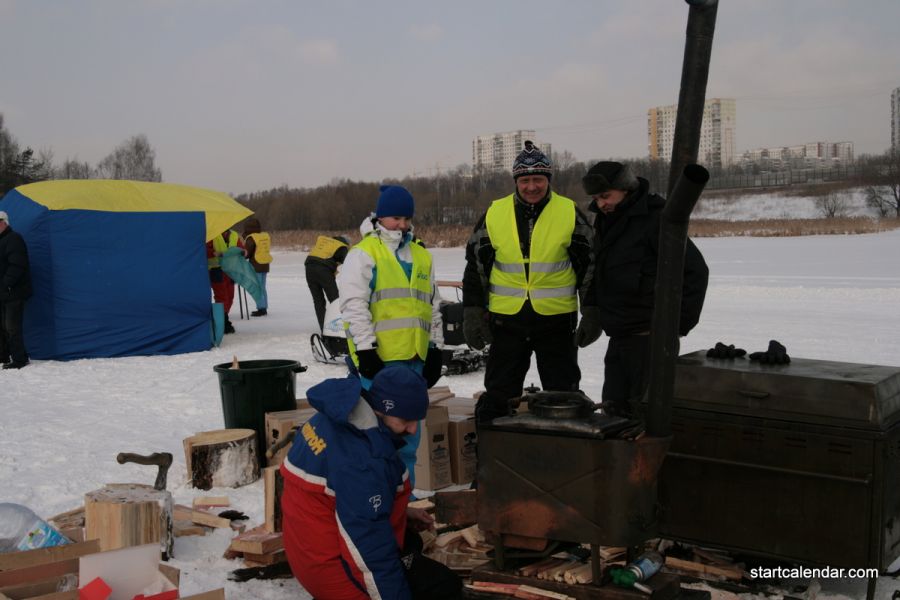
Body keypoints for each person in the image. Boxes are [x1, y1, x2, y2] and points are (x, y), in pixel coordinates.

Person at [281, 366, 462, 600]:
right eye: (406, 420)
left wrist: (401, 512)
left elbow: (343, 498)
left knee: (413, 543)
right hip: (330, 569)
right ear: (381, 409)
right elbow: (371, 556)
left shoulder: (344, 415)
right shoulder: (363, 464)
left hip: (306, 546)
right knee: (444, 586)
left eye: (417, 420)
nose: (413, 429)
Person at [462, 141, 596, 423]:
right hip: (507, 321)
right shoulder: (494, 213)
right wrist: (473, 311)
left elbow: (590, 265)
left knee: (564, 395)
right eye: (525, 180)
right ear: (516, 181)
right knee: (499, 394)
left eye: (538, 179)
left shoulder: (569, 212)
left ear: (548, 180)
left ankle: (567, 454)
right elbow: (476, 266)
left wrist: (593, 311)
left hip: (556, 322)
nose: (532, 186)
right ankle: (494, 452)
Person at [579, 161, 709, 417]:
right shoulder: (607, 222)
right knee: (613, 413)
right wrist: (593, 312)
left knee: (646, 417)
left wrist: (675, 326)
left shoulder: (656, 219)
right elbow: (600, 274)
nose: (601, 203)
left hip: (649, 342)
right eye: (596, 198)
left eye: (606, 196)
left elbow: (695, 272)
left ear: (625, 188)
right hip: (619, 339)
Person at [338, 184, 444, 489]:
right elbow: (354, 307)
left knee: (410, 436)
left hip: (414, 362)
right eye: (395, 217)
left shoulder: (421, 256)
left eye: (406, 218)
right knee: (377, 436)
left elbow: (432, 307)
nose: (402, 225)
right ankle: (375, 499)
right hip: (380, 365)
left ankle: (403, 502)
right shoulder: (363, 254)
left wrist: (435, 347)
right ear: (380, 217)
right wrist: (366, 350)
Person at [0, 211, 32, 369]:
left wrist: (5, 283)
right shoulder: (2, 240)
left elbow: (17, 265)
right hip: (4, 292)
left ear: (5, 223)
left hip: (14, 292)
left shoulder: (14, 239)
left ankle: (20, 359)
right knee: (3, 326)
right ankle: (4, 356)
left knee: (12, 327)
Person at [305, 234, 349, 331]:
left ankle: (323, 329)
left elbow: (323, 257)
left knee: (318, 301)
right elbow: (348, 266)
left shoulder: (327, 242)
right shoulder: (342, 247)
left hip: (309, 267)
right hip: (323, 269)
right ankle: (338, 327)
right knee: (335, 300)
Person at [206, 228, 244, 333]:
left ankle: (223, 320)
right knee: (221, 297)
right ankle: (222, 323)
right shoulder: (212, 234)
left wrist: (243, 252)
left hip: (230, 270)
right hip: (216, 269)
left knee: (230, 296)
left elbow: (241, 248)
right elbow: (205, 250)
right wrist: (214, 253)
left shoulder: (234, 235)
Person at [242, 217, 272, 317]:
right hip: (265, 265)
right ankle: (264, 307)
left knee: (257, 287)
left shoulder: (251, 238)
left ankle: (261, 308)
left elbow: (247, 253)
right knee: (262, 287)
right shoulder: (264, 236)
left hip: (256, 265)